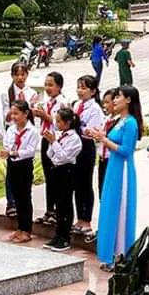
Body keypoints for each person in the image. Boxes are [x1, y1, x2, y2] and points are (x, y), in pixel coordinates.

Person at [88, 86, 142, 270]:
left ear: (128, 100)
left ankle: (121, 255)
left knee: (120, 210)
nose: (115, 100)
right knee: (109, 208)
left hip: (123, 170)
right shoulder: (120, 121)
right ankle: (110, 253)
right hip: (113, 167)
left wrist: (104, 140)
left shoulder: (131, 123)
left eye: (118, 97)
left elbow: (126, 150)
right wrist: (100, 136)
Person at [70, 75, 105, 240]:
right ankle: (79, 218)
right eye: (79, 87)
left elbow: (91, 131)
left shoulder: (95, 109)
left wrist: (76, 125)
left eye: (84, 88)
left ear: (93, 91)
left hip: (85, 146)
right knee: (76, 183)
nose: (80, 91)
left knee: (85, 182)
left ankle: (87, 219)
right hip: (73, 144)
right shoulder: (76, 105)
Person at [42, 106, 83, 252]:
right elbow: (50, 154)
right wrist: (51, 142)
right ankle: (58, 234)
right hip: (56, 170)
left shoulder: (75, 139)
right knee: (58, 205)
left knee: (65, 204)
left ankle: (65, 237)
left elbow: (64, 157)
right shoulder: (60, 135)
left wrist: (54, 142)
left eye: (59, 121)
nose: (56, 124)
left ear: (68, 122)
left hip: (67, 172)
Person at [1, 101, 41, 244]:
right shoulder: (11, 129)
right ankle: (20, 227)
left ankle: (26, 230)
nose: (13, 116)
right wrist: (8, 151)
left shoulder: (32, 131)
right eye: (12, 113)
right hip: (12, 163)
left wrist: (14, 152)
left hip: (24, 165)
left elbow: (30, 151)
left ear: (26, 114)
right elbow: (6, 143)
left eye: (16, 113)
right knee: (16, 196)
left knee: (24, 197)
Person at [33, 72, 69, 232]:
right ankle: (49, 210)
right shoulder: (47, 102)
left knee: (56, 176)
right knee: (48, 175)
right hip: (46, 139)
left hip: (57, 140)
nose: (47, 88)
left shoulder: (63, 103)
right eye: (46, 84)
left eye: (51, 85)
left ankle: (57, 211)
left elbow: (61, 124)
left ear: (59, 86)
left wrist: (45, 116)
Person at [0, 60, 33, 218]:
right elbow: (6, 116)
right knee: (11, 169)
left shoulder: (32, 92)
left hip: (25, 132)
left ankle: (22, 202)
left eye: (23, 74)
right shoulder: (6, 93)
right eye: (17, 74)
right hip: (12, 131)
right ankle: (11, 202)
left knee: (24, 169)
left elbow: (32, 115)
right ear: (12, 75)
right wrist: (14, 111)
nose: (20, 77)